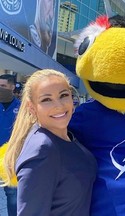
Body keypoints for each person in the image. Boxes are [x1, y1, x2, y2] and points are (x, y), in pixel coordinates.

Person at [3, 69, 97, 215]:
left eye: (63, 95)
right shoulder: (42, 150)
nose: (58, 105)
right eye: (46, 99)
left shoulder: (67, 135)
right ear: (32, 107)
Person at [0, 74, 20, 216]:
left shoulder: (22, 107)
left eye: (3, 86)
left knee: (12, 195)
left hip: (10, 158)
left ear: (12, 88)